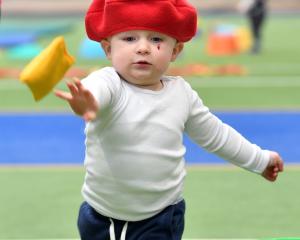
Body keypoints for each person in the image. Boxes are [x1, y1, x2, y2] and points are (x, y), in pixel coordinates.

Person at [55, 0, 283, 239]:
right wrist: (87, 102)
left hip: (160, 217)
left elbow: (217, 136)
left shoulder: (181, 94)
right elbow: (95, 91)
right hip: (100, 216)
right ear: (108, 49)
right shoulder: (109, 83)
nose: (143, 48)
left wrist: (259, 159)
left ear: (175, 51)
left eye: (156, 39)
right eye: (130, 39)